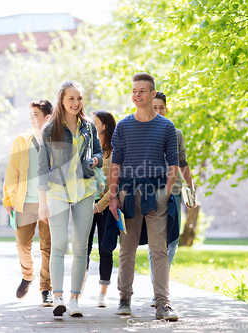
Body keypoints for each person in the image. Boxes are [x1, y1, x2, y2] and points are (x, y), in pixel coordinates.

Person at [109, 73, 179, 320]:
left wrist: (166, 192)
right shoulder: (123, 126)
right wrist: (114, 196)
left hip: (156, 193)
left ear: (152, 94)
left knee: (159, 249)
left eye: (141, 91)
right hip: (127, 193)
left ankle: (162, 304)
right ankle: (124, 298)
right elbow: (115, 163)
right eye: (134, 91)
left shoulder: (166, 126)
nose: (136, 95)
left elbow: (173, 163)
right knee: (126, 250)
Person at [37, 81, 103, 317]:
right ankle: (58, 298)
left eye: (79, 99)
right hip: (57, 192)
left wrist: (95, 160)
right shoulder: (50, 129)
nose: (76, 103)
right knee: (58, 246)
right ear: (61, 101)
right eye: (71, 99)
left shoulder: (88, 127)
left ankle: (75, 299)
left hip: (85, 190)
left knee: (81, 247)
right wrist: (42, 204)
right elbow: (42, 168)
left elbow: (98, 154)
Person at [147, 91, 196, 307]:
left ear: (166, 109)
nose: (158, 111)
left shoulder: (176, 134)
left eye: (161, 107)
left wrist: (191, 189)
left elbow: (183, 162)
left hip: (174, 193)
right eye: (154, 107)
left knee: (172, 242)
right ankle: (160, 291)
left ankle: (160, 286)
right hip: (151, 193)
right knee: (155, 245)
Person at [3, 100, 54, 306]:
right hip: (24, 201)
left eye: (36, 114)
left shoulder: (56, 141)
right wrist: (8, 198)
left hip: (49, 203)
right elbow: (12, 169)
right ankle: (27, 275)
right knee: (23, 244)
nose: (31, 118)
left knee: (47, 247)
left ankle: (46, 288)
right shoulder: (21, 140)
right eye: (30, 114)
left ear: (48, 117)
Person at [85, 110, 116, 307]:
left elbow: (115, 183)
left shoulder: (114, 152)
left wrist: (100, 205)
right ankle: (78, 291)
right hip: (85, 205)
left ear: (104, 125)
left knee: (105, 249)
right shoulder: (86, 149)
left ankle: (103, 293)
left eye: (95, 122)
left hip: (104, 207)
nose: (91, 125)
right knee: (83, 249)